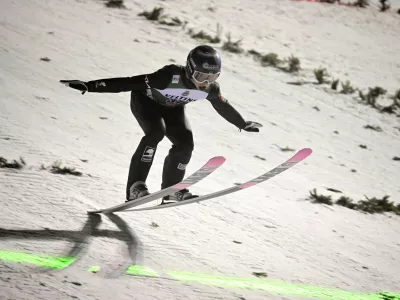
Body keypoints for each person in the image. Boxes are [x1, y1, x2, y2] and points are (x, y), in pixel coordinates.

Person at [60, 45, 262, 204]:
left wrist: (242, 124)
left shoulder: (210, 89)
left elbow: (222, 106)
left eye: (212, 77)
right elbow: (128, 83)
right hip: (145, 102)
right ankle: (136, 188)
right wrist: (91, 86)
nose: (205, 82)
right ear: (191, 69)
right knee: (155, 134)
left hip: (173, 108)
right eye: (202, 76)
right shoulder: (169, 76)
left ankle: (172, 190)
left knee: (185, 145)